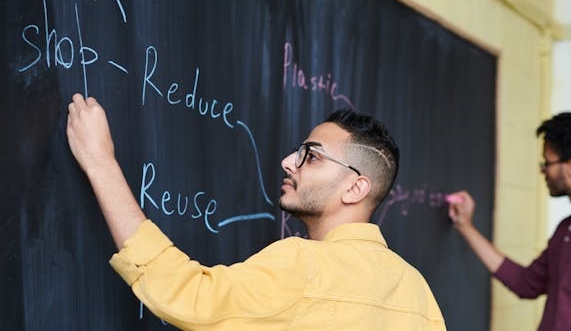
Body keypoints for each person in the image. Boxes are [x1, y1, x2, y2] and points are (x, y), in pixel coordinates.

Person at [66, 93, 446, 330]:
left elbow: (188, 296)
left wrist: (102, 164)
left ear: (356, 187)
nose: (287, 162)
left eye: (311, 157)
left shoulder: (303, 264)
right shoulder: (419, 294)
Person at [447, 111, 571, 331]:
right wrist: (466, 227)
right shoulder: (569, 227)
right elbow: (525, 283)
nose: (542, 171)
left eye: (547, 163)